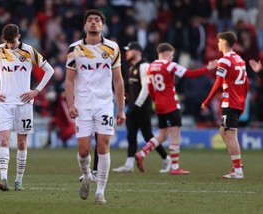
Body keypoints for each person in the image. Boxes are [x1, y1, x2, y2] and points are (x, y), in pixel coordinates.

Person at [0, 24, 54, 191]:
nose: (10, 45)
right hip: (5, 103)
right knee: (4, 139)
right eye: (7, 42)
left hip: (24, 104)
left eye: (12, 42)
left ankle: (19, 181)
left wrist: (36, 91)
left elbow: (49, 70)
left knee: (21, 143)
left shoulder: (29, 51)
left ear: (19, 36)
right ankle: (3, 179)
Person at [65, 9, 126, 205]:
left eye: (97, 20)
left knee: (103, 146)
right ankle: (86, 175)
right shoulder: (74, 48)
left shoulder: (112, 48)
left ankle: (100, 192)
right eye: (90, 20)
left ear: (102, 25)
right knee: (83, 151)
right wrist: (71, 104)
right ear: (85, 25)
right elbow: (69, 81)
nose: (93, 23)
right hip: (83, 106)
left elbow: (118, 80)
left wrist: (121, 108)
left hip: (104, 105)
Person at [135, 42, 217, 175]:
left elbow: (149, 87)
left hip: (160, 106)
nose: (172, 58)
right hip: (171, 105)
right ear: (166, 53)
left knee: (162, 135)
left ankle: (142, 153)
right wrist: (207, 68)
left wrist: (156, 101)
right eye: (172, 55)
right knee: (175, 135)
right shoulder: (169, 65)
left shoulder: (151, 67)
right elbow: (189, 74)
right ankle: (175, 167)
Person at [112, 41, 171, 174]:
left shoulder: (144, 66)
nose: (127, 53)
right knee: (131, 136)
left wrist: (137, 105)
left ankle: (166, 158)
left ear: (138, 51)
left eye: (129, 50)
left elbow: (147, 88)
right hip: (133, 107)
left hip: (142, 108)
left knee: (148, 135)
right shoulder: (132, 67)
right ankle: (128, 164)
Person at [202, 31, 249, 179]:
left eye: (219, 41)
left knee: (230, 135)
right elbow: (246, 83)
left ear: (224, 42)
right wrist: (243, 102)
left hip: (230, 101)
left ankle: (238, 170)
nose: (217, 44)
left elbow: (217, 83)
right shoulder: (239, 59)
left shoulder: (225, 60)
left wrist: (207, 100)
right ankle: (237, 164)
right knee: (224, 132)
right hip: (237, 101)